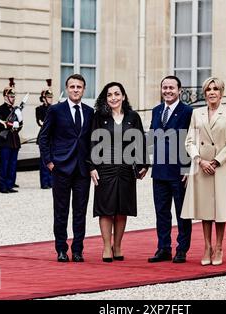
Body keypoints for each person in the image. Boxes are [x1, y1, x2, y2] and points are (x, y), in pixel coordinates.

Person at [181, 77, 226, 266]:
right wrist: (199, 160)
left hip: (220, 166)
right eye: (208, 89)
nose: (212, 92)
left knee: (220, 209)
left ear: (221, 92)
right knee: (205, 208)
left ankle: (219, 247)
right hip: (201, 165)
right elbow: (189, 141)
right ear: (204, 93)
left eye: (215, 89)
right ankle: (206, 246)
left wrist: (215, 162)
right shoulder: (196, 113)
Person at [89, 82, 148, 262]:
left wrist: (143, 164)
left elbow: (140, 141)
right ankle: (107, 246)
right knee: (106, 209)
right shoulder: (99, 117)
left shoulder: (133, 117)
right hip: (104, 167)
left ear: (123, 96)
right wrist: (91, 167)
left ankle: (118, 245)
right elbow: (91, 142)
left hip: (126, 168)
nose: (113, 97)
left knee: (122, 208)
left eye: (117, 94)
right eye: (109, 95)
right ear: (105, 98)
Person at [39, 74, 94, 263]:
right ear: (67, 89)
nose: (76, 90)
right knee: (61, 211)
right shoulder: (55, 110)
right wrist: (49, 162)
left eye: (79, 87)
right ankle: (61, 249)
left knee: (80, 212)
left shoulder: (89, 112)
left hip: (82, 170)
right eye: (72, 87)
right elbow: (43, 137)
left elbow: (91, 141)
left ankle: (78, 249)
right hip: (61, 168)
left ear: (84, 89)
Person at [147, 75, 193, 264]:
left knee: (182, 213)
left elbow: (192, 140)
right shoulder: (157, 110)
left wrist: (188, 168)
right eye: (164, 87)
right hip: (159, 171)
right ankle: (163, 248)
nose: (167, 91)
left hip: (179, 171)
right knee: (162, 213)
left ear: (179, 90)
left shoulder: (188, 111)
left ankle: (182, 249)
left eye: (171, 88)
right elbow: (151, 138)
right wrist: (146, 164)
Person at [0, 78, 23, 194]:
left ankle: (10, 184)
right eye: (11, 96)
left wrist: (18, 122)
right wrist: (10, 124)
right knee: (4, 163)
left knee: (13, 163)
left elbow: (20, 125)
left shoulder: (16, 110)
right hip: (5, 140)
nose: (13, 98)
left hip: (14, 140)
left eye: (14, 96)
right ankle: (3, 186)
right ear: (5, 97)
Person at [36, 79, 53, 190]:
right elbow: (40, 122)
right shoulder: (39, 109)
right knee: (44, 161)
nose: (51, 99)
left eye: (51, 97)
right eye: (48, 97)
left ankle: (51, 181)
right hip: (44, 137)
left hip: (53, 138)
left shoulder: (54, 108)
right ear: (44, 98)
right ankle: (44, 182)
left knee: (53, 160)